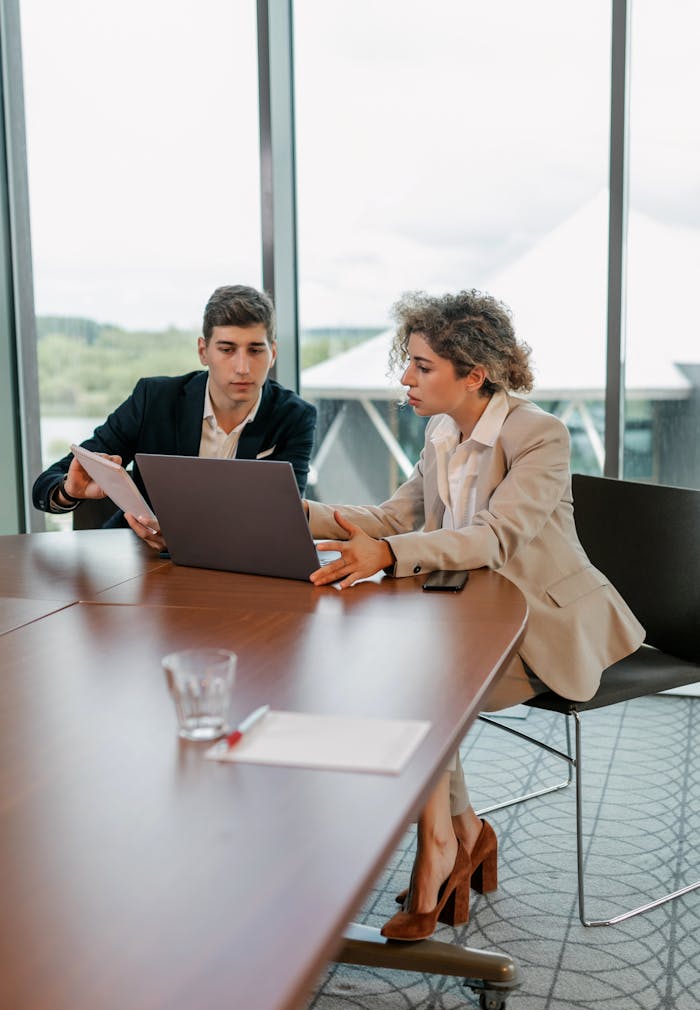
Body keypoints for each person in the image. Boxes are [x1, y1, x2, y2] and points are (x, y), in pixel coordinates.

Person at [304, 288, 645, 941]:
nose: (406, 379)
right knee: (410, 679)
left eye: (422, 366)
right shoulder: (441, 433)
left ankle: (441, 850)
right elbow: (391, 518)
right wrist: (299, 513)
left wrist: (388, 553)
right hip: (465, 619)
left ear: (473, 374)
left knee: (422, 693)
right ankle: (462, 834)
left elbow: (494, 537)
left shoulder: (539, 435)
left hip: (543, 625)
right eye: (408, 363)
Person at [33, 284, 317, 552]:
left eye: (255, 350)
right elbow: (47, 484)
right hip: (136, 557)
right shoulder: (154, 400)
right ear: (203, 351)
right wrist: (68, 492)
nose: (242, 367)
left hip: (240, 562)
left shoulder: (294, 417)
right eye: (227, 350)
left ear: (273, 353)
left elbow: (284, 519)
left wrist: (190, 541)